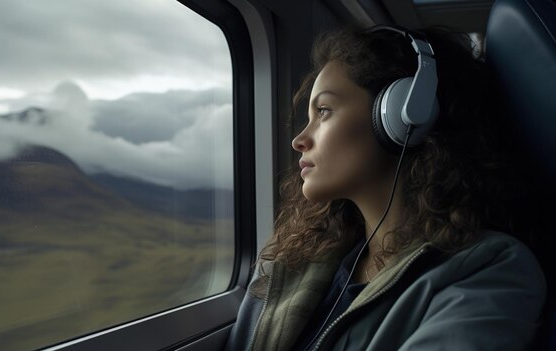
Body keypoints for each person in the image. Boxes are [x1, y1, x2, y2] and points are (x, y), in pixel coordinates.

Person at [226, 25, 546, 351]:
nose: (299, 140)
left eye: (323, 111)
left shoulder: (489, 270)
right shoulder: (290, 262)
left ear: (405, 116)